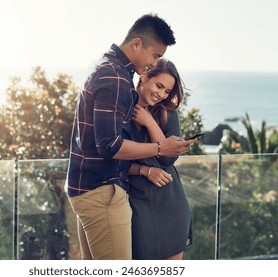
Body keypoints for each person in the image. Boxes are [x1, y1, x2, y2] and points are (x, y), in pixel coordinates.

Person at [65, 13, 196, 260]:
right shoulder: (115, 77)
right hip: (102, 190)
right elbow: (110, 146)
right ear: (137, 44)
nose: (155, 62)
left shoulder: (108, 68)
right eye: (155, 55)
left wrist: (155, 138)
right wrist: (158, 150)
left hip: (98, 188)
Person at [128, 58, 192, 260]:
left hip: (171, 202)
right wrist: (145, 170)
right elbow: (113, 159)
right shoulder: (121, 109)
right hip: (137, 203)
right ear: (144, 76)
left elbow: (167, 161)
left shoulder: (167, 113)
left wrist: (149, 123)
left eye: (167, 91)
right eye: (159, 86)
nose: (161, 95)